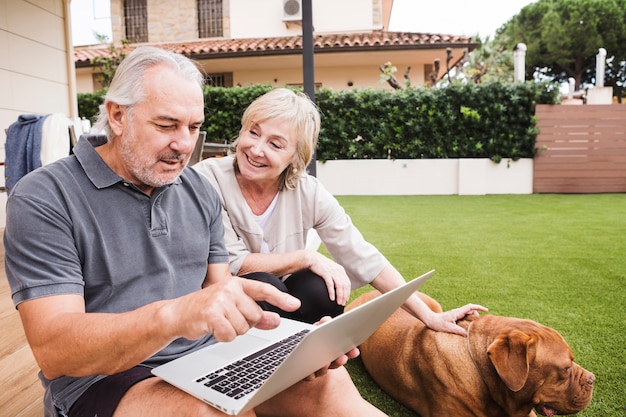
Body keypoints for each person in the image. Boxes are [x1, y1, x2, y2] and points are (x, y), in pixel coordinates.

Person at [4, 47, 386, 417]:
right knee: (204, 411)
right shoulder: (44, 196)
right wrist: (175, 315)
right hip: (104, 381)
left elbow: (218, 290)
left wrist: (292, 343)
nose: (184, 145)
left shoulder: (198, 188)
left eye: (193, 127)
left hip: (206, 358)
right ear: (117, 116)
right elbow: (55, 351)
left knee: (325, 385)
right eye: (167, 125)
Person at [194, 88, 487, 329]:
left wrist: (429, 316)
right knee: (264, 284)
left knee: (325, 286)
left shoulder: (307, 190)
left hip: (282, 301)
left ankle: (309, 342)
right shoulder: (208, 178)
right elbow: (234, 263)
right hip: (227, 299)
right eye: (253, 133)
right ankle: (280, 349)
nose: (256, 149)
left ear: (296, 157)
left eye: (275, 144)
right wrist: (306, 257)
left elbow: (363, 257)